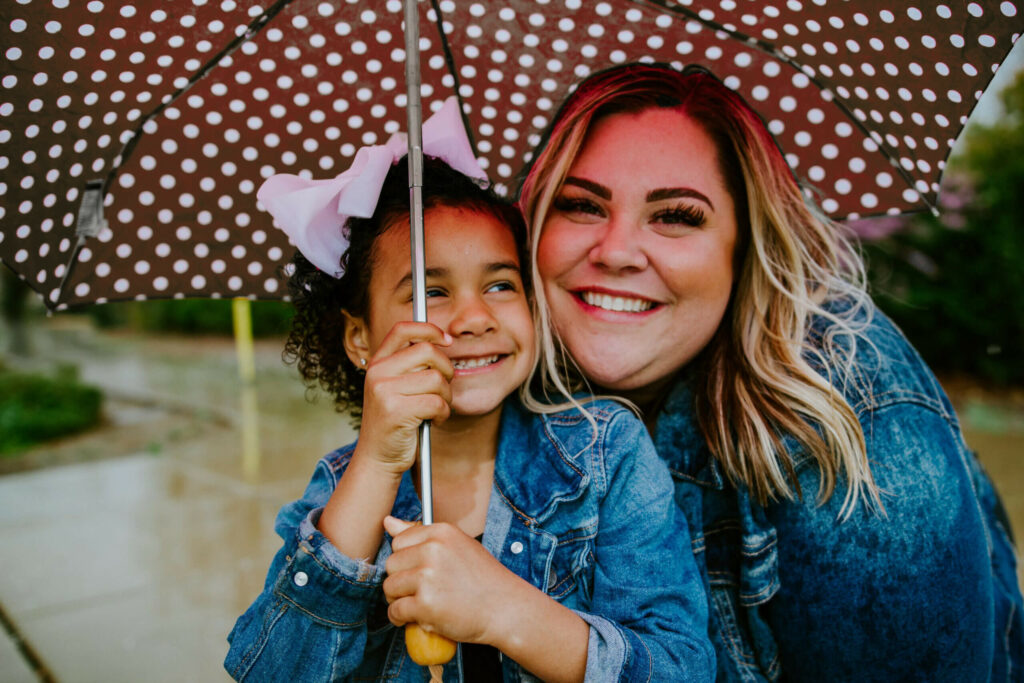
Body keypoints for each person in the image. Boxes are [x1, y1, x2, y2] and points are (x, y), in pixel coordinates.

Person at [518, 63, 1024, 681]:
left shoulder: (852, 431)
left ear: (744, 243)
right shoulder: (500, 392)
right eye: (580, 205)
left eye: (676, 215)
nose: (617, 251)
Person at [224, 99, 714, 682]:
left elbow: (681, 666)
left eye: (501, 284)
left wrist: (504, 611)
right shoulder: (338, 489)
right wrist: (379, 465)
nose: (475, 317)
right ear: (359, 339)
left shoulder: (606, 454)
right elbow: (273, 671)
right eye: (431, 292)